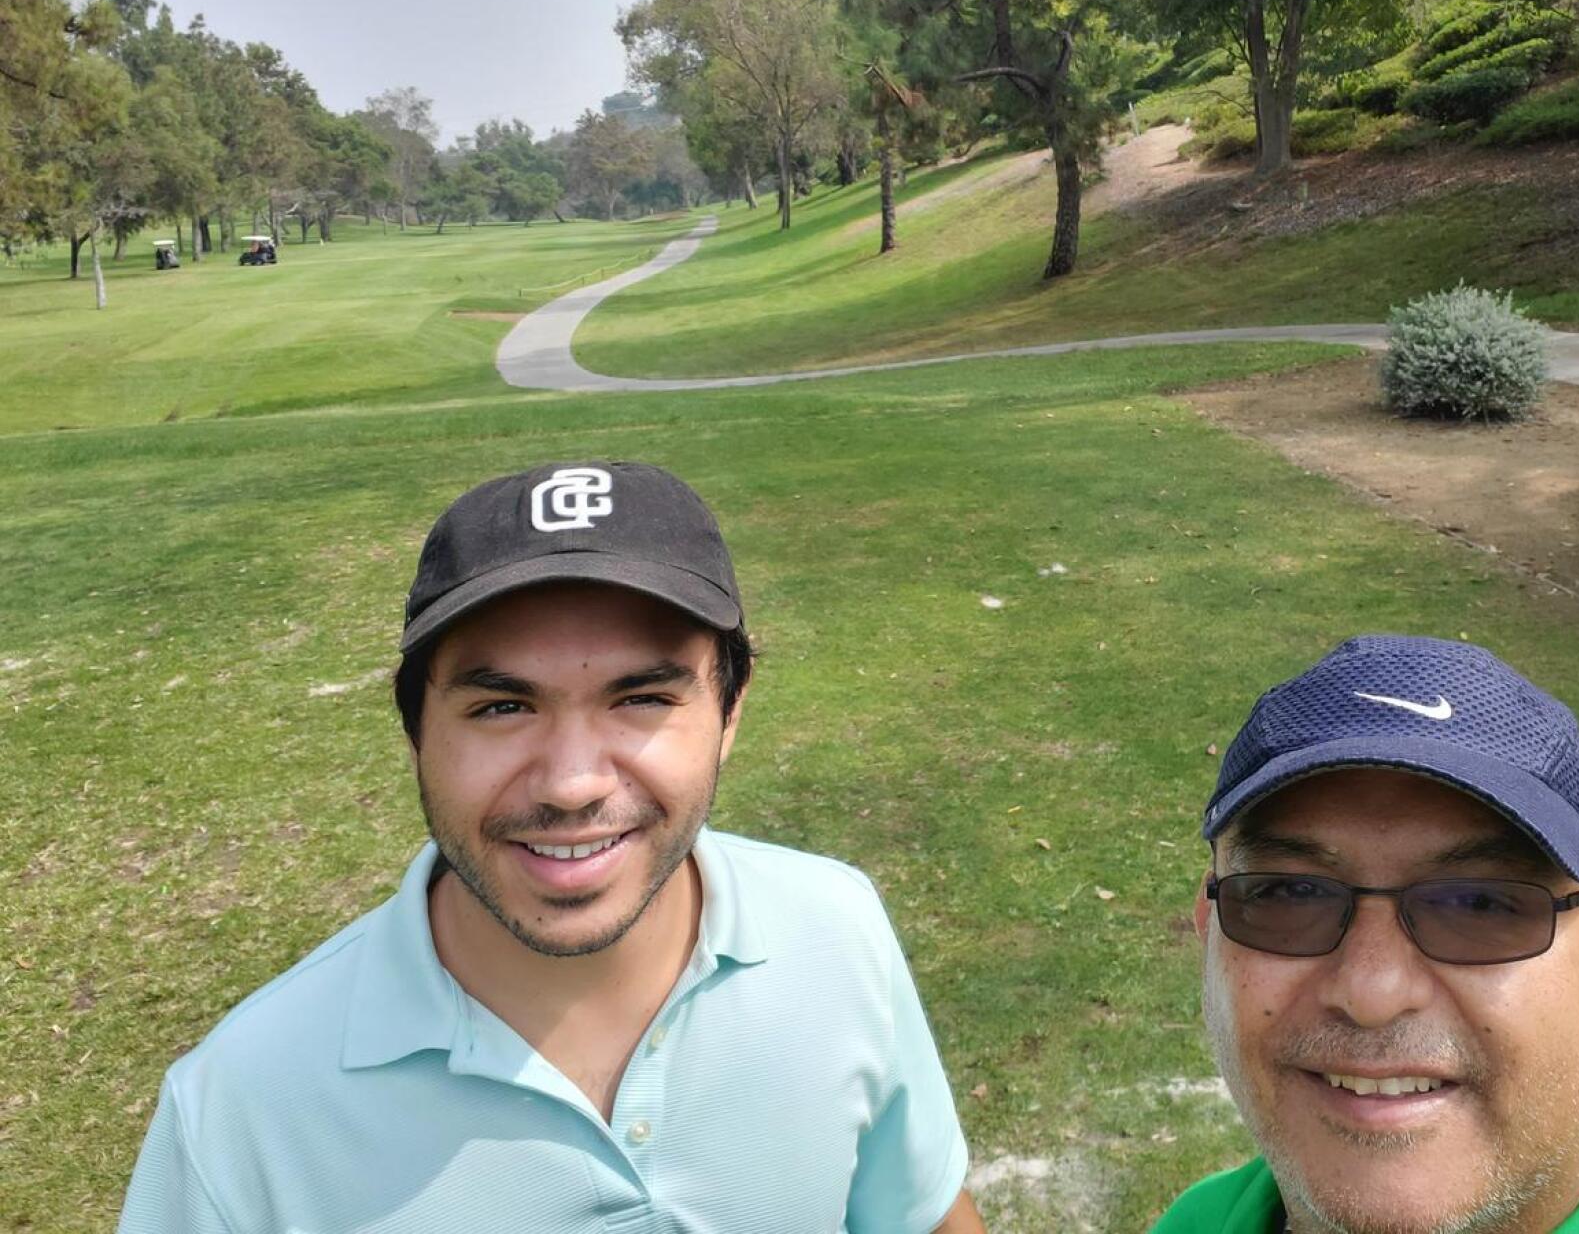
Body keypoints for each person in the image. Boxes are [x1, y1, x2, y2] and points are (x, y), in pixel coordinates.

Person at [120, 461, 983, 1233]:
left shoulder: (837, 926)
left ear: (730, 712)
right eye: (502, 707)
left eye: (642, 698)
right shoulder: (238, 1112)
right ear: (416, 729)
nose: (572, 785)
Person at [1155, 634, 1579, 1233]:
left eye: (1479, 905)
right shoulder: (1200, 1220)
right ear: (1212, 938)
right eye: (1291, 894)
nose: (1371, 994)